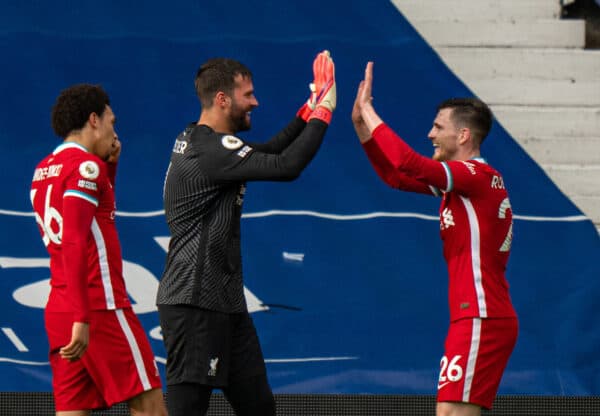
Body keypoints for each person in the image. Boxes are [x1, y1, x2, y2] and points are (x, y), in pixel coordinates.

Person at [156, 50, 336, 416]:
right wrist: (325, 110)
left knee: (259, 408)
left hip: (226, 304)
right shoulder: (209, 149)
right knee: (187, 410)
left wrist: (310, 105)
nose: (256, 101)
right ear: (222, 99)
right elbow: (287, 166)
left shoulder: (208, 142)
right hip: (193, 303)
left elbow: (269, 150)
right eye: (248, 95)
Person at [352, 62, 518, 416]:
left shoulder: (475, 174)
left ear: (463, 136)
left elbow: (409, 162)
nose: (430, 133)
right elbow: (396, 177)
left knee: (450, 414)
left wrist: (369, 110)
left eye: (438, 127)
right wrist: (361, 130)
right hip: (475, 315)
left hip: (481, 315)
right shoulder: (464, 182)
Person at [30, 84, 167, 416]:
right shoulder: (85, 168)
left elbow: (96, 218)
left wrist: (112, 170)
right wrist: (83, 316)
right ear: (94, 119)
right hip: (98, 307)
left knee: (72, 411)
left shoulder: (42, 170)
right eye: (111, 121)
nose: (114, 131)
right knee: (150, 409)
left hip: (61, 309)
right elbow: (76, 240)